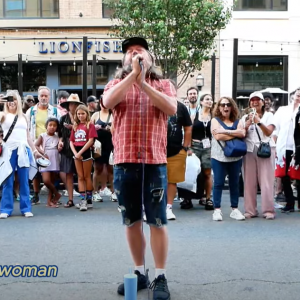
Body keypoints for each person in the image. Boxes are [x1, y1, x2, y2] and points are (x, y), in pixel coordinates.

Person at [102, 37, 177, 300]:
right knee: (131, 221)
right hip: (124, 161)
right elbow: (109, 102)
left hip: (154, 162)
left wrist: (143, 83)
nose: (134, 54)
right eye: (130, 53)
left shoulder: (164, 84)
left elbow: (171, 108)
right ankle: (138, 271)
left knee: (157, 220)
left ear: (150, 58)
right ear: (124, 60)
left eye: (140, 51)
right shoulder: (115, 83)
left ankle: (159, 275)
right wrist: (132, 77)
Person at [0, 90, 42, 219]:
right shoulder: (2, 115)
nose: (12, 102)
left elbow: (28, 136)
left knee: (24, 180)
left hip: (23, 150)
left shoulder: (24, 117)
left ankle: (26, 208)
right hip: (8, 150)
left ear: (19, 101)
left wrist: (35, 151)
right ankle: (6, 209)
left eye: (14, 99)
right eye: (9, 100)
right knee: (8, 179)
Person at [210, 97, 246, 221]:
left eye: (228, 104)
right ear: (219, 107)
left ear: (232, 107)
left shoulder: (238, 120)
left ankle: (235, 209)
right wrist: (234, 132)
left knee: (234, 184)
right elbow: (218, 136)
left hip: (235, 156)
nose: (225, 107)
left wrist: (225, 131)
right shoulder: (215, 121)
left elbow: (243, 134)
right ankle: (217, 210)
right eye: (222, 105)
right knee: (218, 183)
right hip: (218, 157)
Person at [242, 92, 276, 219]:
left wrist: (258, 122)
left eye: (258, 100)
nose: (255, 102)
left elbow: (268, 132)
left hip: (265, 150)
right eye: (252, 100)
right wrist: (246, 125)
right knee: (249, 182)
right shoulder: (245, 117)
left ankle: (268, 211)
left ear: (263, 102)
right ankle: (250, 210)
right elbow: (241, 134)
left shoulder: (270, 115)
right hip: (250, 151)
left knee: (266, 181)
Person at [26, 86, 61, 204]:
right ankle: (36, 194)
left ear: (49, 96)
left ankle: (52, 197)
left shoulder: (55, 111)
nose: (44, 98)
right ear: (38, 96)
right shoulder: (31, 111)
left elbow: (59, 127)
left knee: (52, 172)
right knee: (35, 169)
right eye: (42, 96)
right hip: (35, 143)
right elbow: (26, 128)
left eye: (46, 96)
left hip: (51, 143)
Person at [274, 87, 300, 212]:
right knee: (284, 176)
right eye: (297, 94)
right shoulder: (282, 110)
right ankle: (289, 203)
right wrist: (276, 144)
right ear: (292, 95)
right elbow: (275, 129)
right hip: (283, 147)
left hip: (298, 148)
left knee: (298, 176)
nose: (298, 97)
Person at [166, 98, 192, 220]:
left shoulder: (180, 107)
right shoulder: (153, 101)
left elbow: (188, 127)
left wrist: (185, 147)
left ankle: (168, 208)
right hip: (155, 150)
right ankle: (155, 207)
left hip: (176, 150)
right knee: (154, 180)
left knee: (172, 181)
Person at [70, 104, 97, 211]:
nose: (80, 116)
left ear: (87, 114)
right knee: (80, 176)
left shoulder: (90, 125)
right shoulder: (75, 126)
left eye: (83, 113)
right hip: (76, 151)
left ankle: (89, 199)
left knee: (86, 176)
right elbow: (71, 141)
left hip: (85, 152)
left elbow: (91, 140)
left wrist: (80, 152)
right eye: (79, 114)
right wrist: (75, 153)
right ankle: (83, 200)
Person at [58, 94, 83, 208]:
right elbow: (60, 134)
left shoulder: (81, 117)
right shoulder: (63, 118)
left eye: (75, 104)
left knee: (81, 174)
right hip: (67, 147)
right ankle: (70, 199)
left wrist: (73, 127)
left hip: (80, 146)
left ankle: (84, 199)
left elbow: (86, 131)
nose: (73, 106)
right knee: (68, 174)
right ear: (68, 105)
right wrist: (60, 141)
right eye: (71, 104)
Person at [190, 93, 214, 210]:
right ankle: (187, 198)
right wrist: (188, 147)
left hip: (208, 147)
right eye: (207, 99)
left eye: (211, 99)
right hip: (195, 145)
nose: (209, 101)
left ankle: (208, 198)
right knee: (192, 171)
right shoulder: (194, 115)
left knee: (207, 173)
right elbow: (188, 131)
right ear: (201, 102)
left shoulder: (214, 117)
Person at [91, 98, 116, 202]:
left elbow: (117, 129)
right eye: (102, 102)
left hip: (111, 145)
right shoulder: (95, 115)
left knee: (111, 170)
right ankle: (95, 192)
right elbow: (89, 129)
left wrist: (109, 129)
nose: (104, 104)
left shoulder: (114, 114)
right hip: (98, 145)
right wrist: (94, 128)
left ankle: (114, 192)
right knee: (97, 169)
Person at [35, 118, 61, 208]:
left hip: (55, 158)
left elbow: (59, 147)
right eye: (50, 125)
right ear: (46, 126)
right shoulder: (43, 135)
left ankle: (49, 201)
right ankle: (57, 194)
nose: (52, 127)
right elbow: (36, 145)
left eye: (54, 125)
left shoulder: (58, 136)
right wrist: (43, 153)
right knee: (46, 181)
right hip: (45, 159)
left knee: (52, 181)